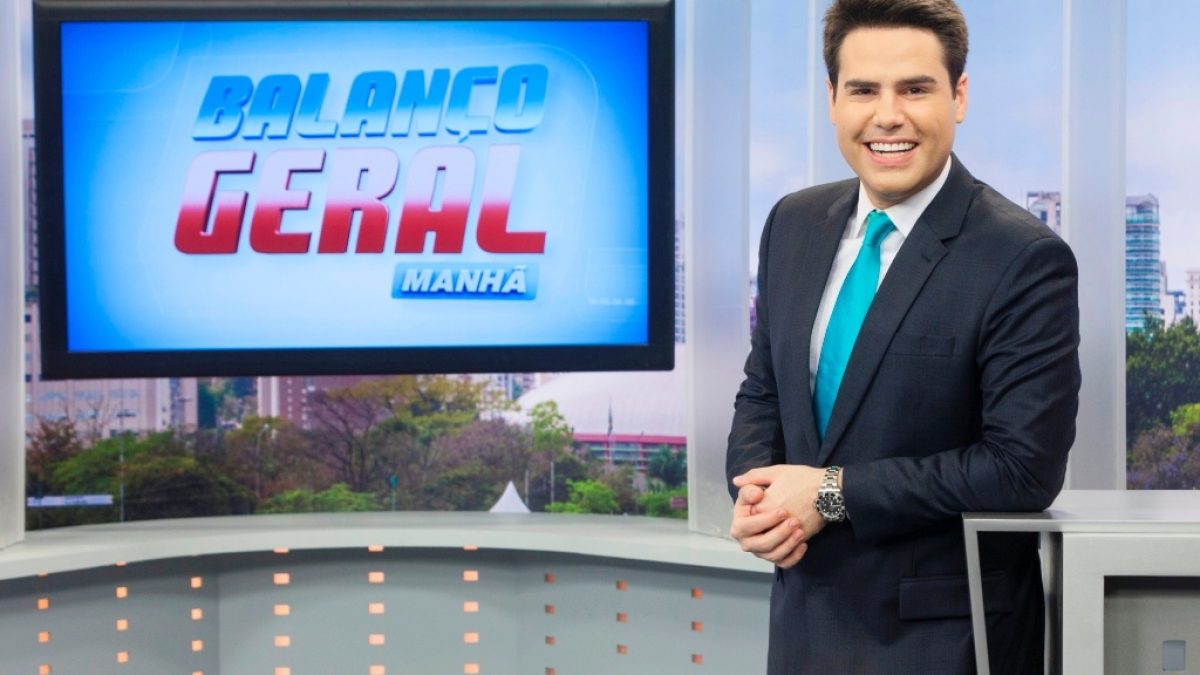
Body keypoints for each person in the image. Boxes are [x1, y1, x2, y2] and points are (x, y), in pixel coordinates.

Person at [725, 0, 1080, 673]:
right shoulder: (791, 224)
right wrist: (753, 490)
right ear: (832, 100)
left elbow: (1020, 469)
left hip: (945, 639)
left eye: (915, 89)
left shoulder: (1023, 258)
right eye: (864, 90)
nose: (888, 115)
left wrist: (830, 493)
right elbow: (763, 388)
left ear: (959, 95)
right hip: (801, 626)